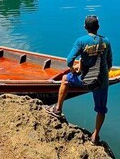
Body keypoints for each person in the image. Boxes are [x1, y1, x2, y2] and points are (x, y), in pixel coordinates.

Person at [46, 15, 113, 144]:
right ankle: (95, 136)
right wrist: (102, 75)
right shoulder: (107, 41)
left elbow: (69, 60)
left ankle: (58, 109)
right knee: (101, 109)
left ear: (85, 27)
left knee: (65, 79)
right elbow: (109, 63)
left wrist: (74, 69)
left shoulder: (81, 41)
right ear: (98, 27)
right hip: (102, 81)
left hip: (85, 80)